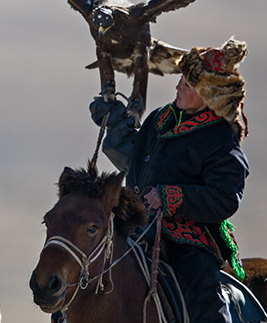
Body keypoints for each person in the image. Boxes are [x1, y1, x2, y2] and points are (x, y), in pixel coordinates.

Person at [90, 37, 250, 323]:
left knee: (204, 300)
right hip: (137, 226)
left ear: (209, 95)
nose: (177, 87)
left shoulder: (221, 140)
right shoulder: (160, 119)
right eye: (181, 81)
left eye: (187, 85)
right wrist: (114, 127)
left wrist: (170, 197)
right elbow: (134, 158)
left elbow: (225, 197)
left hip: (187, 240)